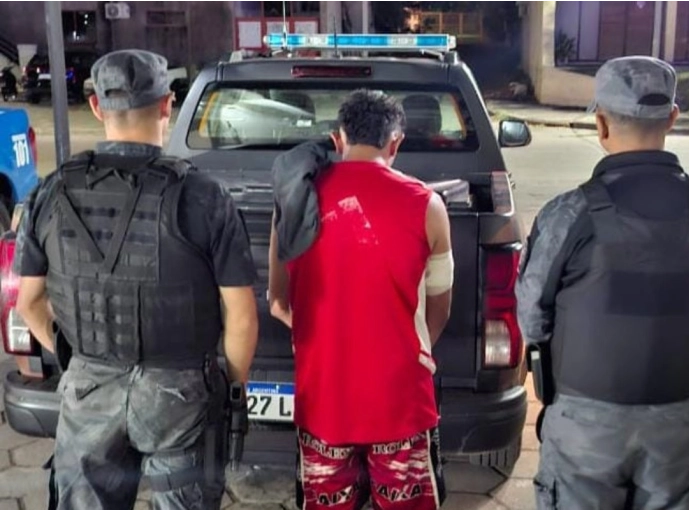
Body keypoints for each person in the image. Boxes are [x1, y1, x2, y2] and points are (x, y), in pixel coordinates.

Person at [14, 49, 259, 510]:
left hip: (88, 386)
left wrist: (75, 358)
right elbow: (242, 316)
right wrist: (230, 388)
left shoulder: (51, 190)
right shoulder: (204, 195)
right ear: (168, 104)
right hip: (181, 393)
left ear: (96, 106)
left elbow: (28, 302)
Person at [516, 56, 689, 510]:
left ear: (601, 124)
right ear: (672, 118)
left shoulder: (569, 215)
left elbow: (532, 316)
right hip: (677, 421)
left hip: (585, 427)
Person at [268, 89, 453, 510]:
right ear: (395, 143)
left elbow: (277, 301)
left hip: (323, 399)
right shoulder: (428, 205)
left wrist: (322, 337)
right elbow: (439, 308)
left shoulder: (294, 201)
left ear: (338, 139)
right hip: (400, 400)